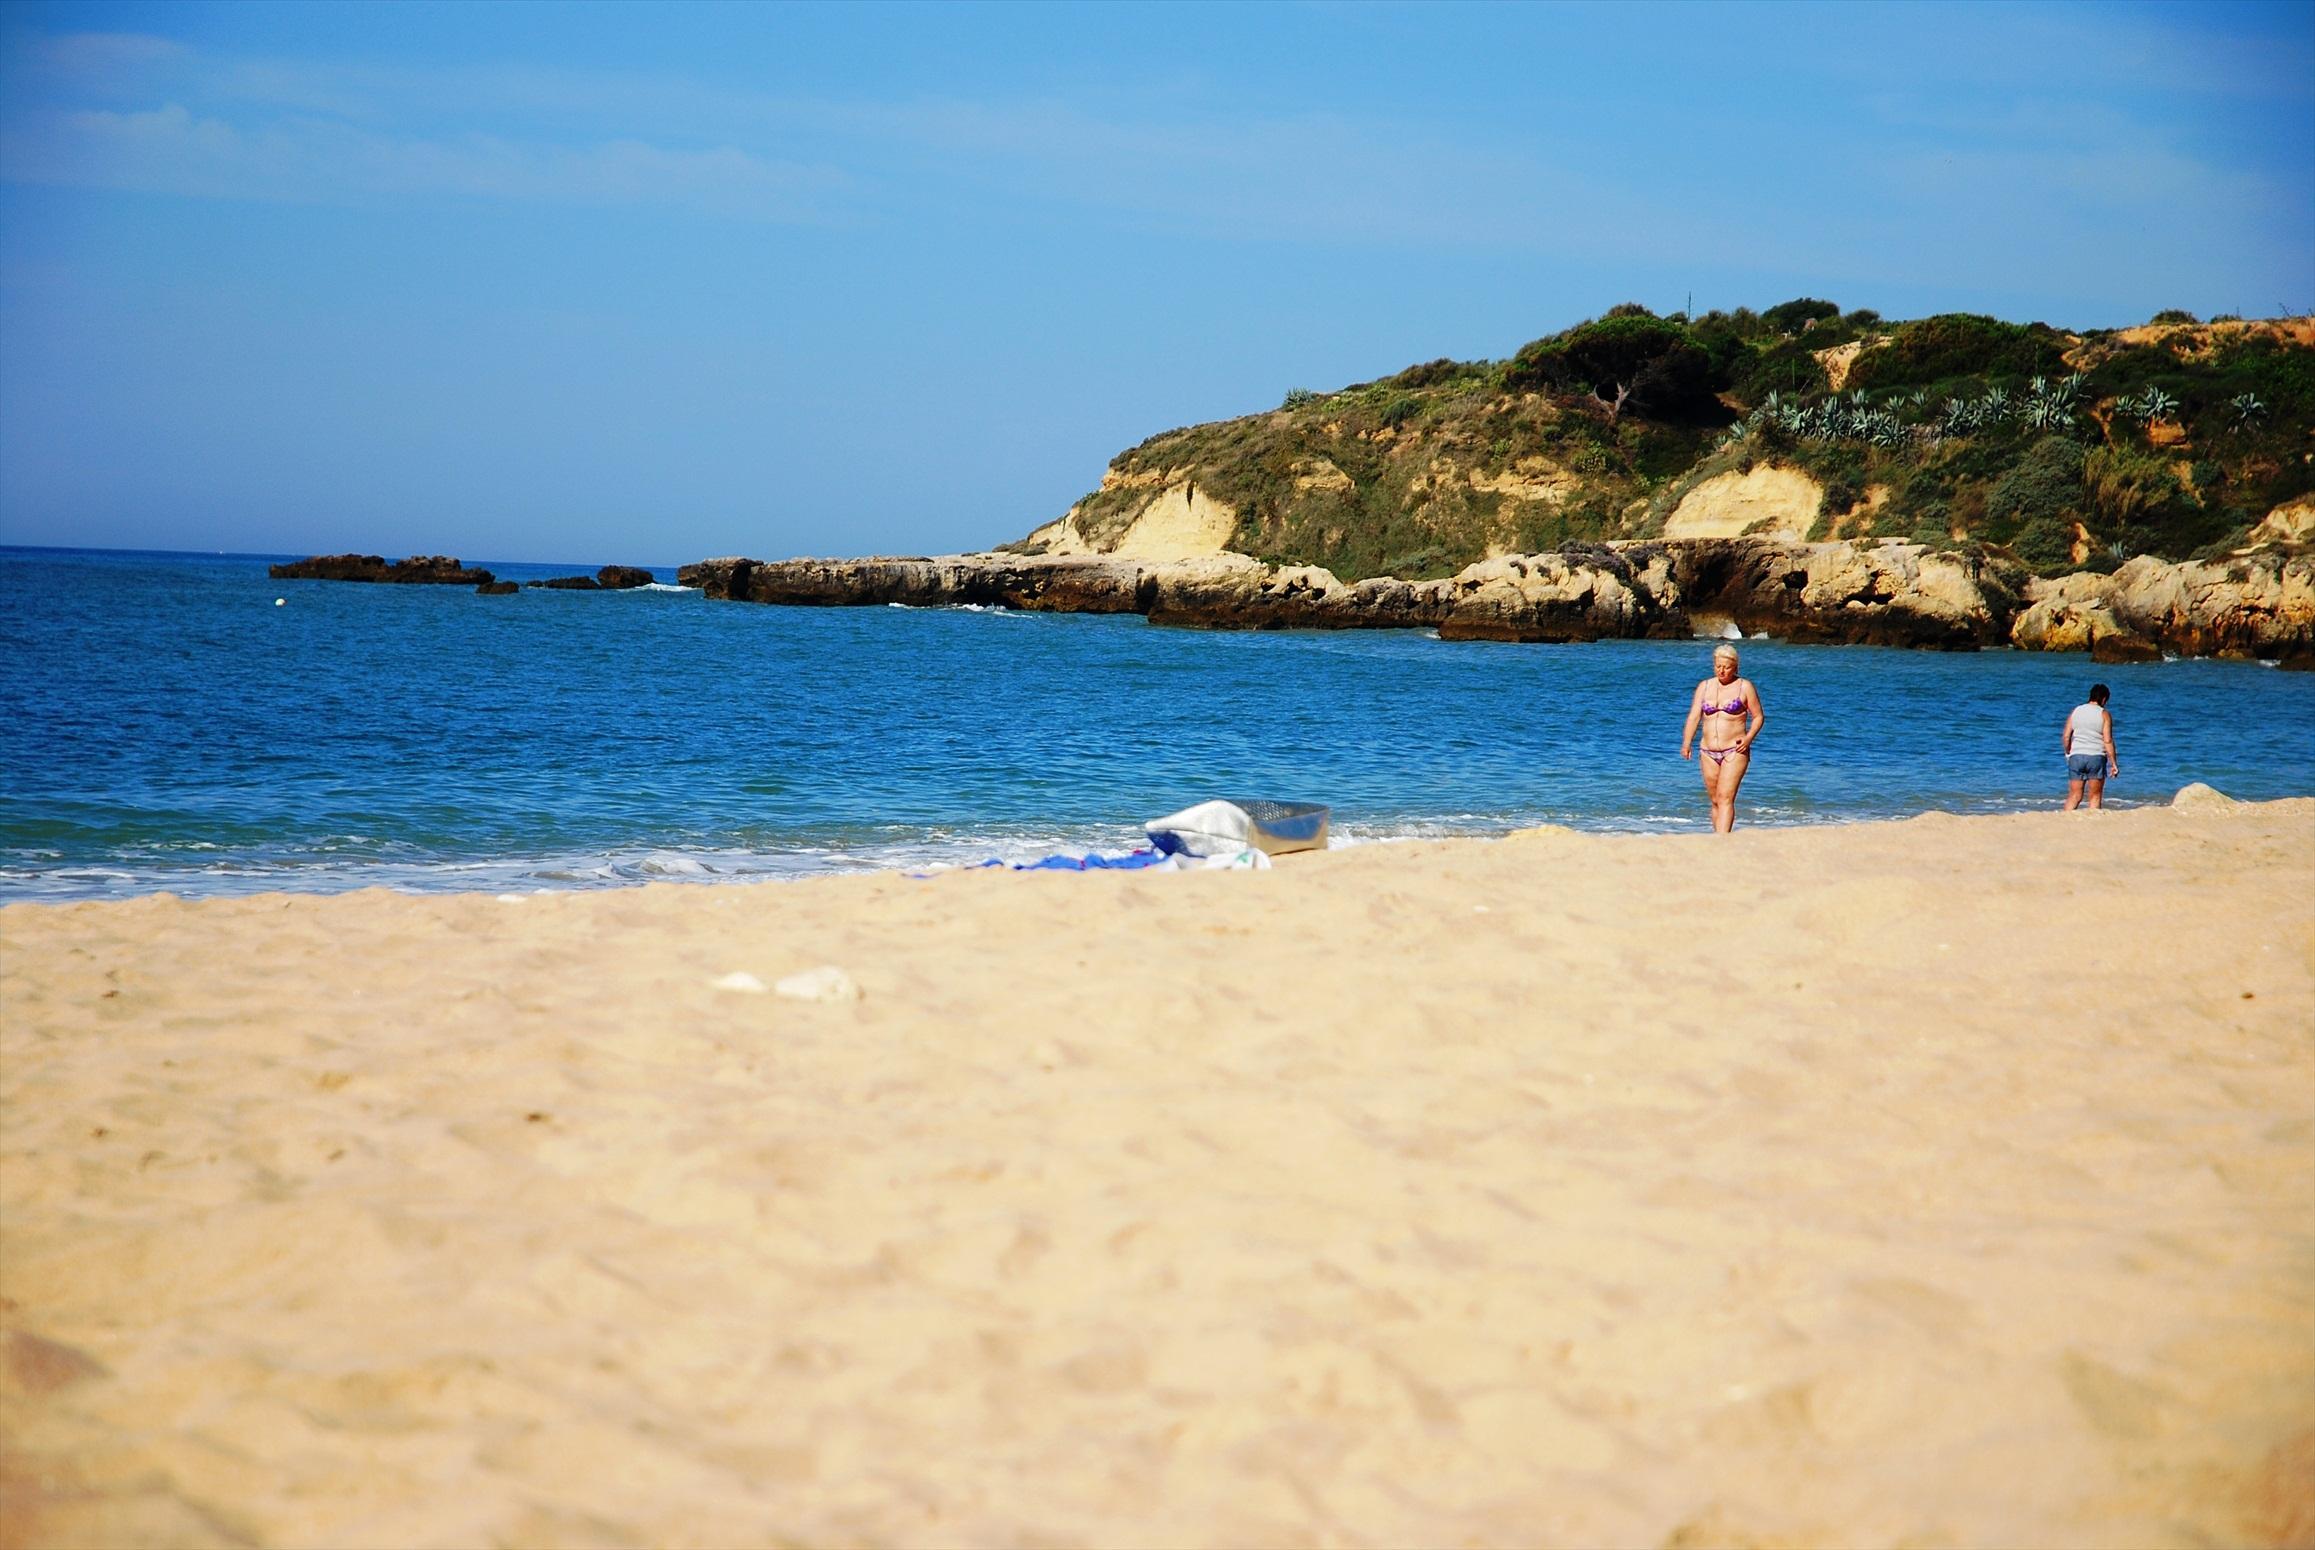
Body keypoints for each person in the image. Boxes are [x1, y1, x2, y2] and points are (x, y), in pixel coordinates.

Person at [1681, 642, 1765, 834]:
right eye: (1718, 666)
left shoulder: (1745, 687)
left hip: (1735, 751)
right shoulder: (1705, 686)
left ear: (1735, 667)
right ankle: (1718, 836)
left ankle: (1723, 841)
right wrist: (1687, 743)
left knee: (1725, 797)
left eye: (1726, 667)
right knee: (1715, 800)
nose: (1722, 671)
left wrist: (1749, 738)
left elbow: (1758, 716)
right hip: (1707, 751)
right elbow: (1694, 716)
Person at [2063, 683, 2119, 810]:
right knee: (2095, 796)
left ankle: (2065, 821)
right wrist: (2114, 763)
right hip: (2096, 757)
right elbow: (2108, 740)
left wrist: (2068, 753)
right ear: (2104, 699)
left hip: (2076, 757)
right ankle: (2093, 825)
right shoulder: (2104, 714)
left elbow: (2066, 736)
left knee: (2074, 795)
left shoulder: (2076, 711)